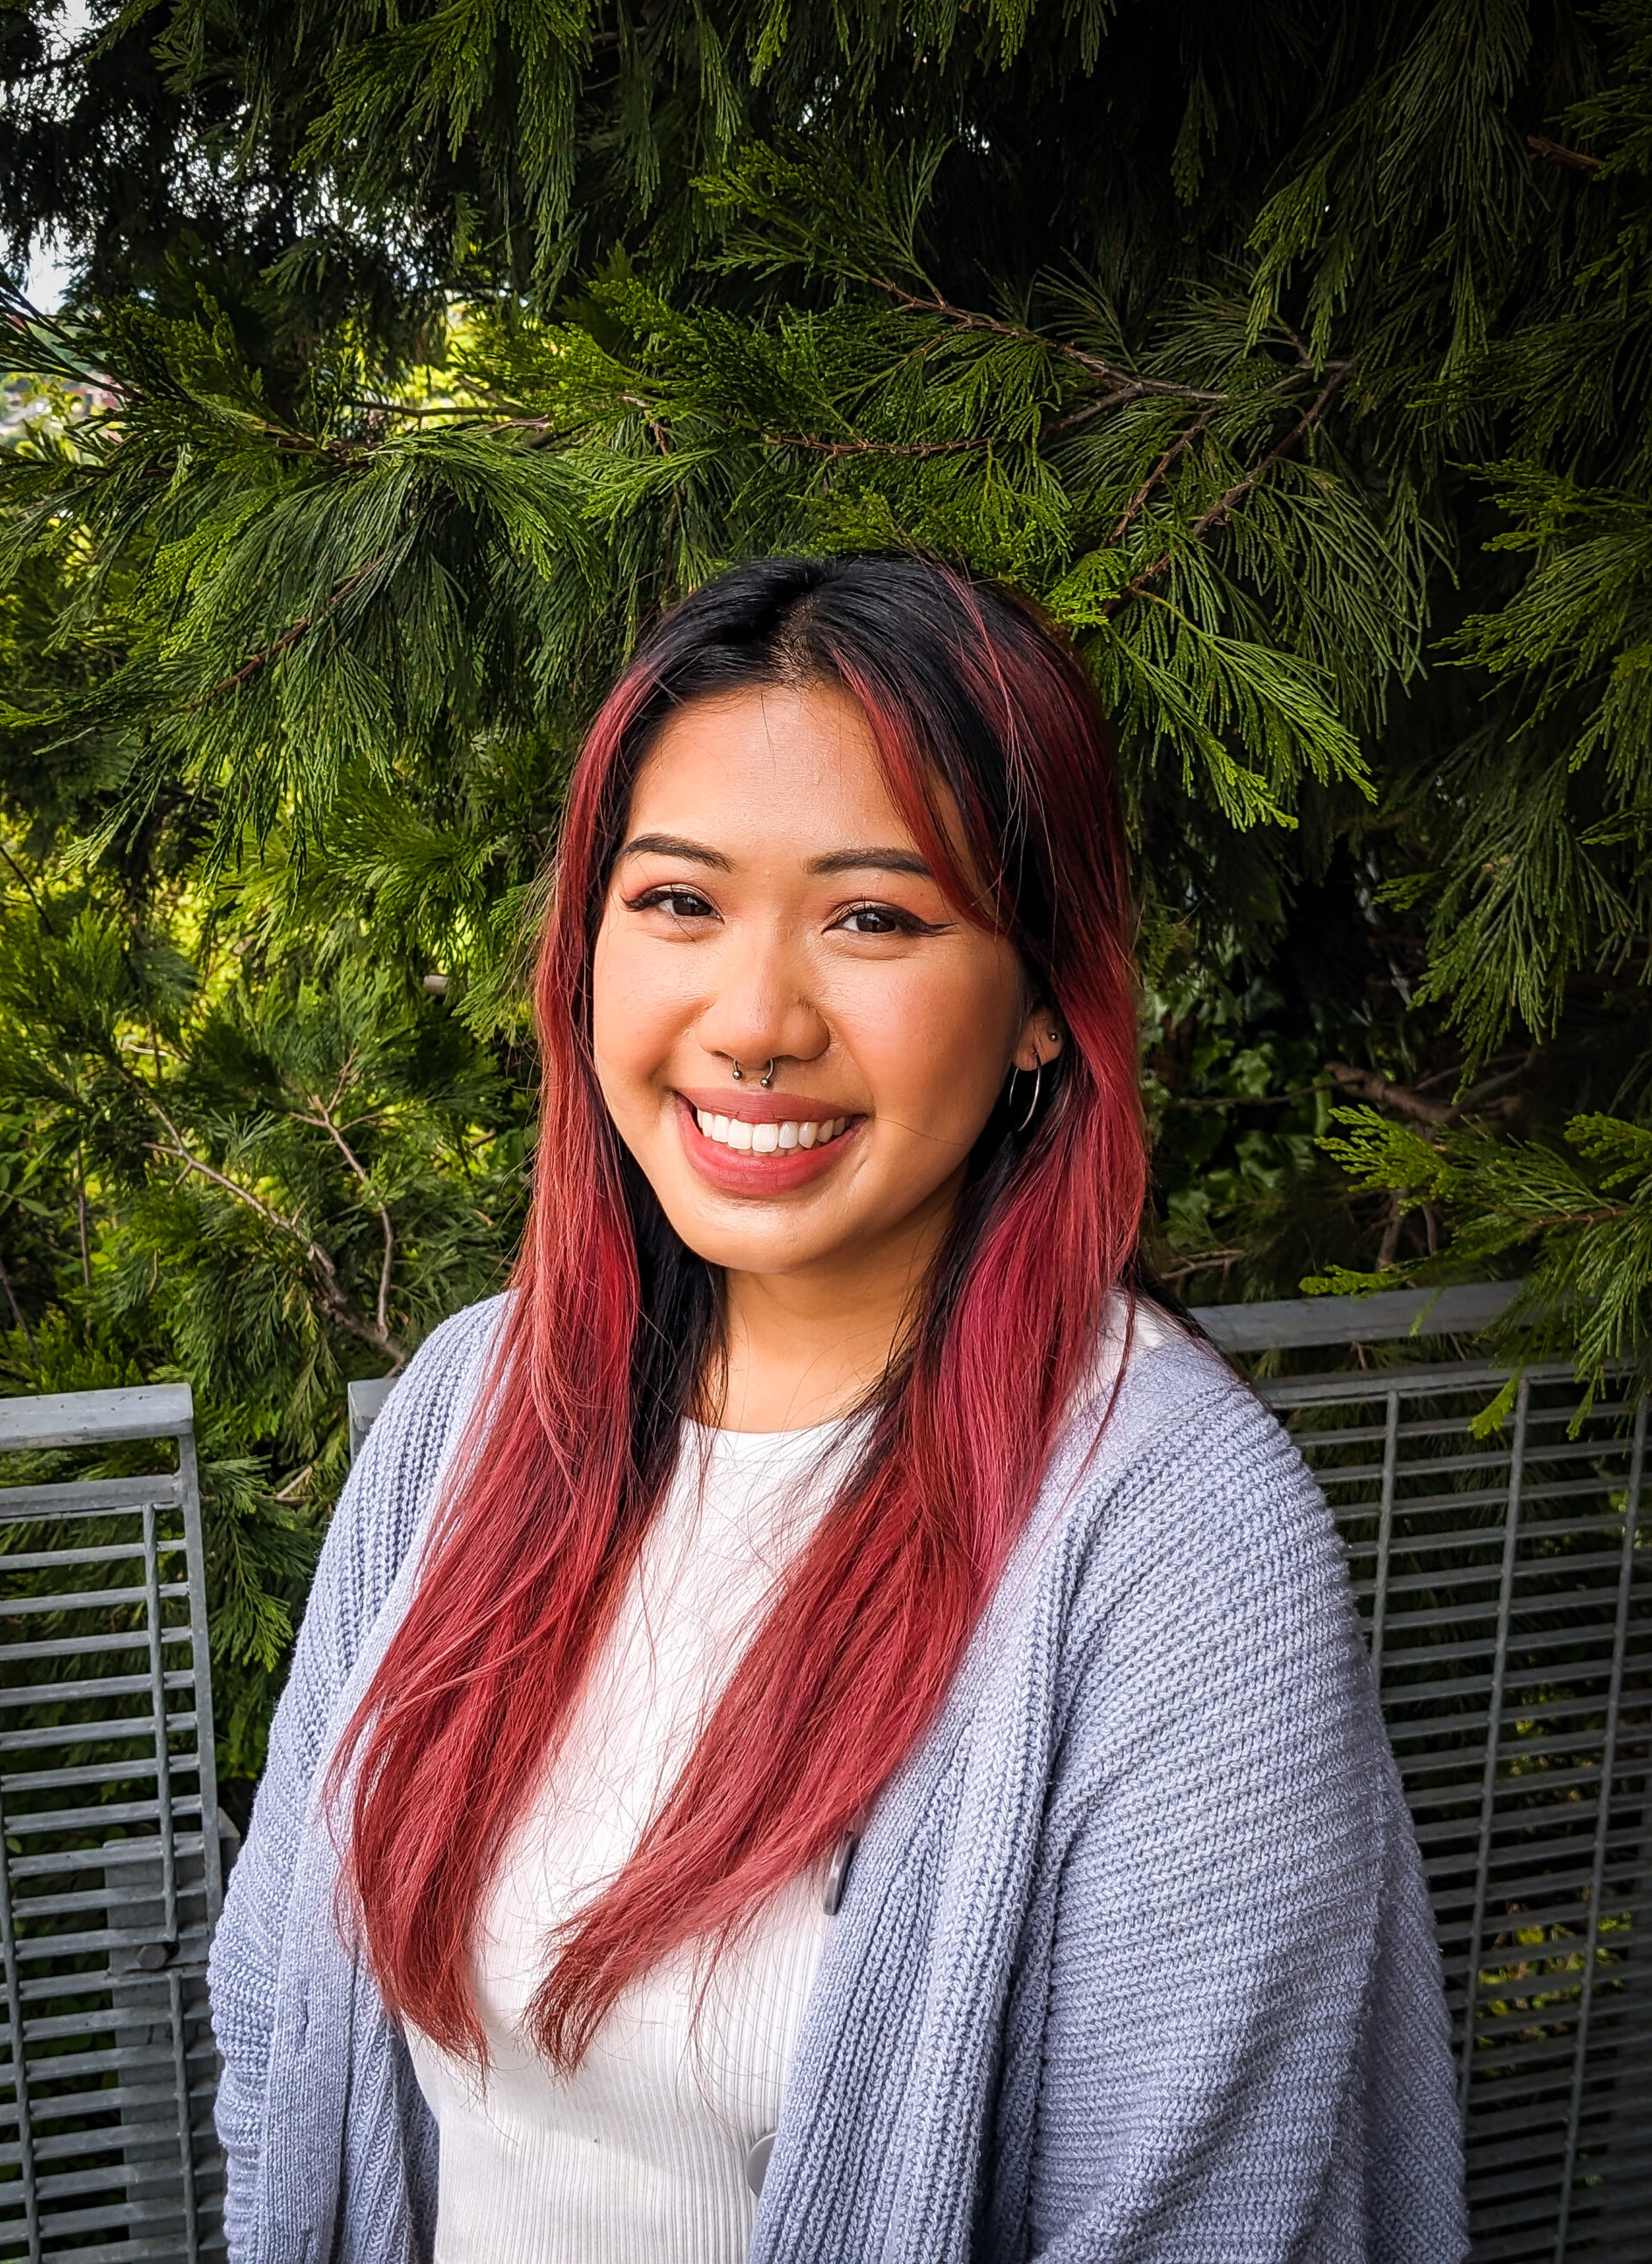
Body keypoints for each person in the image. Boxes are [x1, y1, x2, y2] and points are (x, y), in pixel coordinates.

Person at [208, 555, 1467, 2264]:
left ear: (1040, 1002)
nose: (755, 1020)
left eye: (873, 915)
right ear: (584, 956)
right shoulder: (464, 1412)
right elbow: (280, 2022)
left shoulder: (1174, 1545)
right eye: (677, 903)